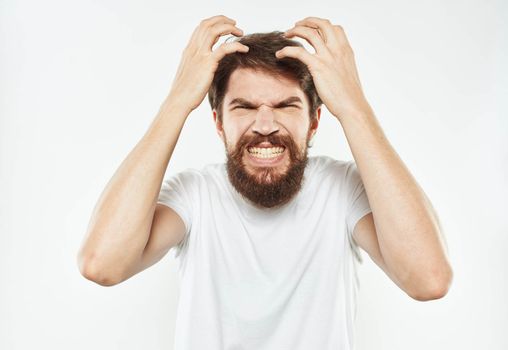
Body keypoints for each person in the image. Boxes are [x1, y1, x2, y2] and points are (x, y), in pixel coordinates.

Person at [77, 15, 453, 350]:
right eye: (244, 107)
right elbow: (101, 264)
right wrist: (177, 101)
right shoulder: (196, 195)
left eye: (287, 106)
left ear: (316, 121)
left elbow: (429, 279)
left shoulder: (342, 189)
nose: (266, 126)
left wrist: (353, 105)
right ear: (219, 124)